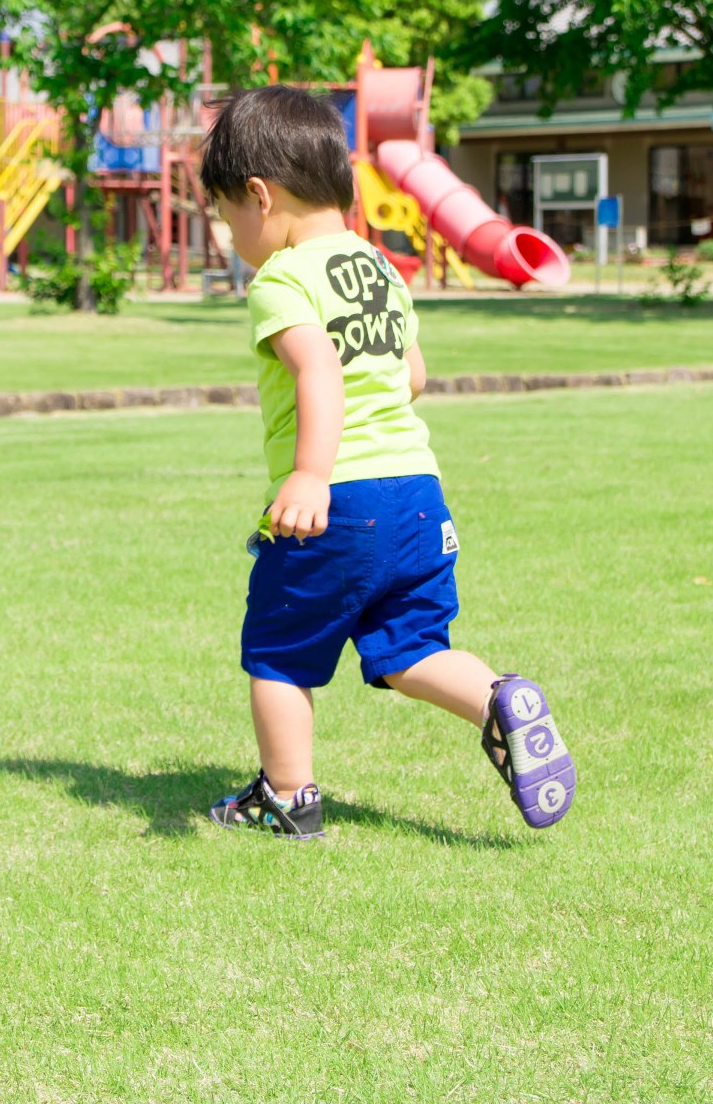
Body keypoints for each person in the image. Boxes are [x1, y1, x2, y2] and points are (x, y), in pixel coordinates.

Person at [197, 85, 576, 839]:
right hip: (416, 493)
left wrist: (308, 472)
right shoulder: (378, 266)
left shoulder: (282, 277)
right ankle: (499, 697)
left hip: (335, 499)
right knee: (409, 646)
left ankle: (286, 797)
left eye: (225, 213)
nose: (229, 231)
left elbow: (318, 370)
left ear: (259, 197)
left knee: (276, 653)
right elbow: (413, 375)